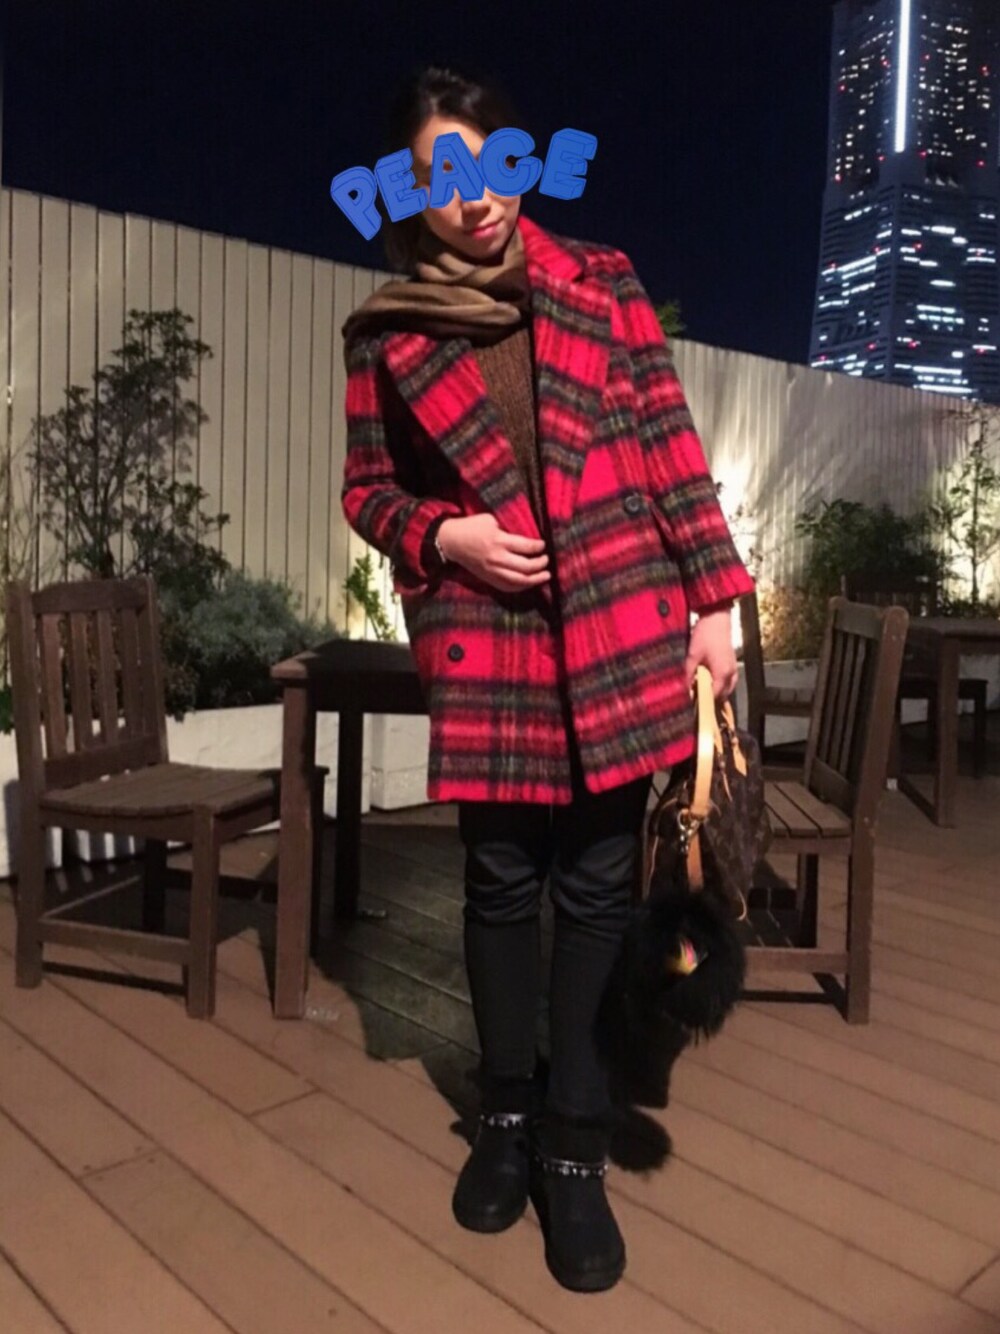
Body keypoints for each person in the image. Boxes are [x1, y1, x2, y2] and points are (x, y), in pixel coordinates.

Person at [341, 65, 754, 1293]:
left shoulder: (603, 283)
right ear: (407, 192)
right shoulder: (387, 329)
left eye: (487, 164)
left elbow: (670, 447)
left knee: (593, 884)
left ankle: (575, 1135)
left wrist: (715, 601)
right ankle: (505, 1112)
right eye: (438, 175)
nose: (470, 196)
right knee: (498, 881)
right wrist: (446, 535)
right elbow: (367, 491)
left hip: (619, 619)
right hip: (491, 631)